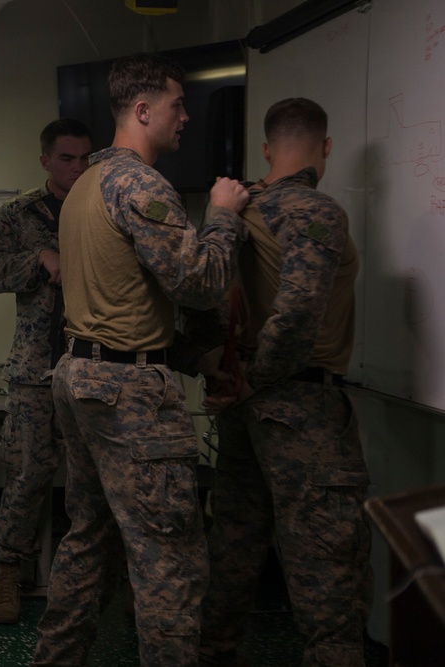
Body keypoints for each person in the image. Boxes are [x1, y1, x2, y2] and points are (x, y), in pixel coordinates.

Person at [32, 52, 249, 666]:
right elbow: (198, 282)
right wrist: (223, 216)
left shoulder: (86, 184)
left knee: (90, 540)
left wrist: (200, 358)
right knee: (168, 557)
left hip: (81, 377)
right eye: (179, 105)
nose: (186, 117)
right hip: (127, 394)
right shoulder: (140, 184)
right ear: (144, 110)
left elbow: (125, 299)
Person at [197, 98, 371, 667]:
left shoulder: (236, 208)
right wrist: (258, 380)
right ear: (326, 147)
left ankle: (212, 653)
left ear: (267, 149)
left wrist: (231, 375)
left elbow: (207, 295)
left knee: (234, 543)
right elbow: (298, 312)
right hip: (298, 406)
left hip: (241, 401)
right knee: (328, 560)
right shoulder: (316, 210)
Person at [0, 118, 92, 624]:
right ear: (45, 160)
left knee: (94, 477)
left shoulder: (103, 208)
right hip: (36, 366)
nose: (77, 167)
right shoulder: (18, 215)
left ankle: (96, 577)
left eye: (84, 158)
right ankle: (8, 570)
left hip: (95, 365)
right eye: (66, 158)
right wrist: (38, 258)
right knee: (28, 472)